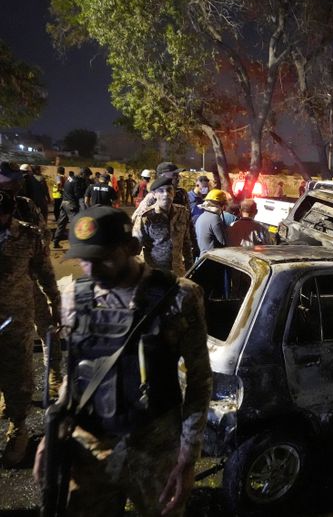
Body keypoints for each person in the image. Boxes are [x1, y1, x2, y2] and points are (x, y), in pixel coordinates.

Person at [34, 206, 211, 516]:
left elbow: (200, 380)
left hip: (155, 447)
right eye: (83, 259)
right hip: (91, 445)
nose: (91, 268)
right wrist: (52, 432)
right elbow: (75, 373)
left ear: (133, 248)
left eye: (102, 256)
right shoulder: (75, 296)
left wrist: (186, 459)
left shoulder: (179, 297)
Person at [0, 189, 60, 466]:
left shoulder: (27, 235)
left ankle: (18, 426)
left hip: (15, 314)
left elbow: (46, 274)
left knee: (17, 369)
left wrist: (55, 305)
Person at [133, 176, 194, 276]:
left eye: (169, 190)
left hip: (177, 271)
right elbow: (135, 246)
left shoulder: (182, 212)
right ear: (154, 194)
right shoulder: (146, 216)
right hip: (154, 273)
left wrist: (190, 268)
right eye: (161, 191)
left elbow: (186, 242)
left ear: (174, 193)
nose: (166, 194)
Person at [54, 167, 91, 247]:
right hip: (71, 205)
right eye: (87, 176)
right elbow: (77, 195)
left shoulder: (70, 178)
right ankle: (75, 245)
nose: (88, 178)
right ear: (83, 174)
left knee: (61, 224)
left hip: (64, 203)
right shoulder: (77, 181)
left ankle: (55, 242)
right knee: (75, 224)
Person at [195, 189, 228, 254]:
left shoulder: (201, 217)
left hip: (203, 258)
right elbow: (223, 243)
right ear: (221, 204)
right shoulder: (215, 218)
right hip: (212, 259)